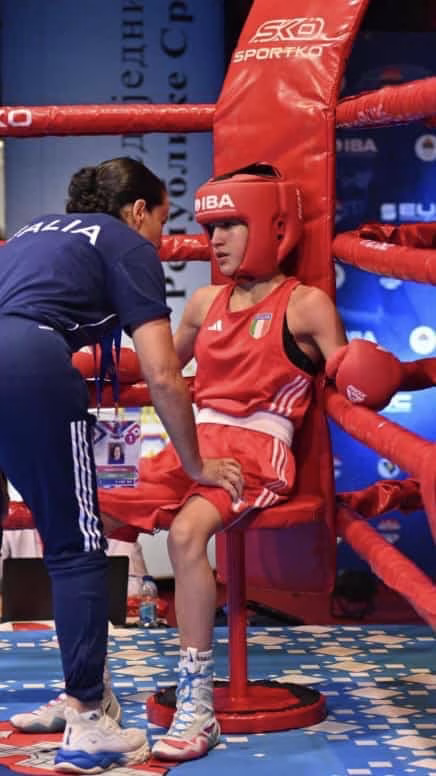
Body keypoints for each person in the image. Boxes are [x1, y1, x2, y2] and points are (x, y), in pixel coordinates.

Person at [97, 162, 410, 763]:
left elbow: (348, 377)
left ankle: (197, 705)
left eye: (231, 225)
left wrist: (372, 375)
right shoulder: (203, 302)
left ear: (274, 227)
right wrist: (87, 360)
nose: (215, 240)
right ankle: (91, 692)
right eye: (211, 227)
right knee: (95, 517)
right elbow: (158, 368)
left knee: (187, 534)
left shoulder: (306, 305)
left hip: (255, 451)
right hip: (194, 445)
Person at [0, 156, 243, 773]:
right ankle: (88, 719)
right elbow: (163, 372)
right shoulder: (126, 243)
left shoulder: (31, 233)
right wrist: (196, 463)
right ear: (138, 211)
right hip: (28, 364)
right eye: (162, 219)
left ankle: (80, 696)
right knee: (79, 546)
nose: (162, 236)